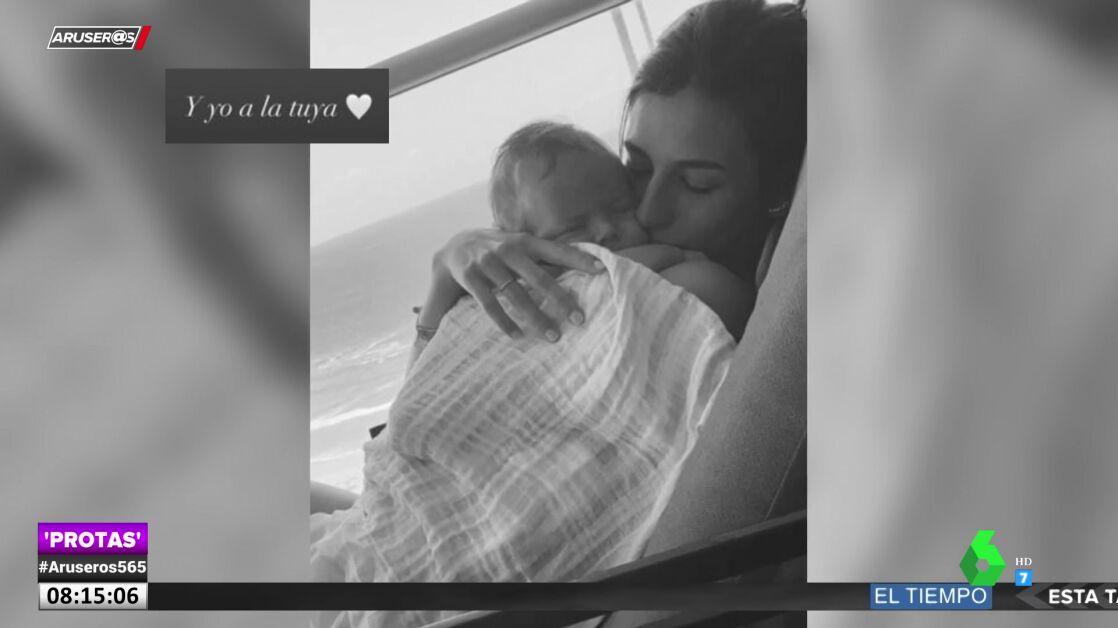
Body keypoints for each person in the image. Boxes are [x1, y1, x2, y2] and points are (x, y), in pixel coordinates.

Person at [413, 119, 753, 351]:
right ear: (517, 245)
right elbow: (595, 272)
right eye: (572, 229)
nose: (606, 230)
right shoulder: (523, 281)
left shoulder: (692, 285)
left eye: (622, 207)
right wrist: (671, 254)